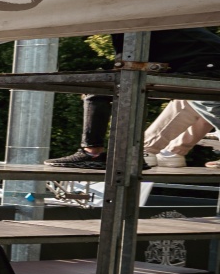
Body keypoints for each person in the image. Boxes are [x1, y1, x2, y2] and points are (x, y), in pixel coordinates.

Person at [49, 29, 220, 169]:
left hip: (205, 65)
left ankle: (92, 153)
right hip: (206, 60)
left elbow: (127, 64)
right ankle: (160, 152)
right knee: (194, 103)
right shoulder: (165, 20)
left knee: (98, 90)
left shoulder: (130, 25)